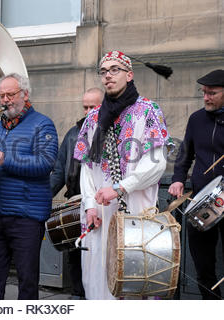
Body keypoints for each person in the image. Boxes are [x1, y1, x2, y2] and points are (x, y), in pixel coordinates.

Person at [73, 51, 173, 300]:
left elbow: (157, 164)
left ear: (129, 75)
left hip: (136, 213)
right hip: (99, 215)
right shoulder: (93, 117)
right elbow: (87, 168)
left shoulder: (148, 111)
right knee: (96, 280)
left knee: (134, 282)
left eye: (114, 69)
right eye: (103, 71)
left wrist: (120, 188)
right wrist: (88, 206)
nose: (108, 75)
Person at [0, 73, 58, 299]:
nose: (5, 100)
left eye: (10, 94)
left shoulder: (43, 124)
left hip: (26, 217)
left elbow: (45, 163)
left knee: (27, 281)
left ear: (25, 94)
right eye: (2, 95)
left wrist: (4, 159)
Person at [168, 69, 224, 300]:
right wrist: (178, 178)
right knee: (202, 265)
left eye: (212, 93)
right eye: (203, 93)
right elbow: (184, 155)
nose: (206, 97)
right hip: (200, 199)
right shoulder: (196, 119)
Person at [50, 87, 104, 299]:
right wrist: (44, 195)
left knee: (101, 256)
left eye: (94, 106)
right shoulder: (74, 133)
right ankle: (78, 296)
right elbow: (59, 169)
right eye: (85, 107)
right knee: (76, 252)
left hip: (103, 204)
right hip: (75, 201)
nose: (89, 111)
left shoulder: (112, 131)